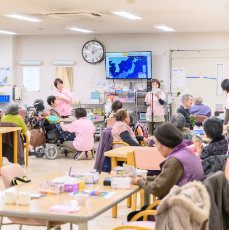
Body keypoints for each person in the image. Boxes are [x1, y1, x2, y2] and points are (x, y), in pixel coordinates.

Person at [131, 123, 204, 201]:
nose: (157, 148)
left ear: (164, 143)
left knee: (136, 213)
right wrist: (146, 178)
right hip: (192, 203)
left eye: (156, 144)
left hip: (180, 208)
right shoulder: (187, 152)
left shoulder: (175, 161)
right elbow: (167, 179)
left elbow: (158, 189)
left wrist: (139, 181)